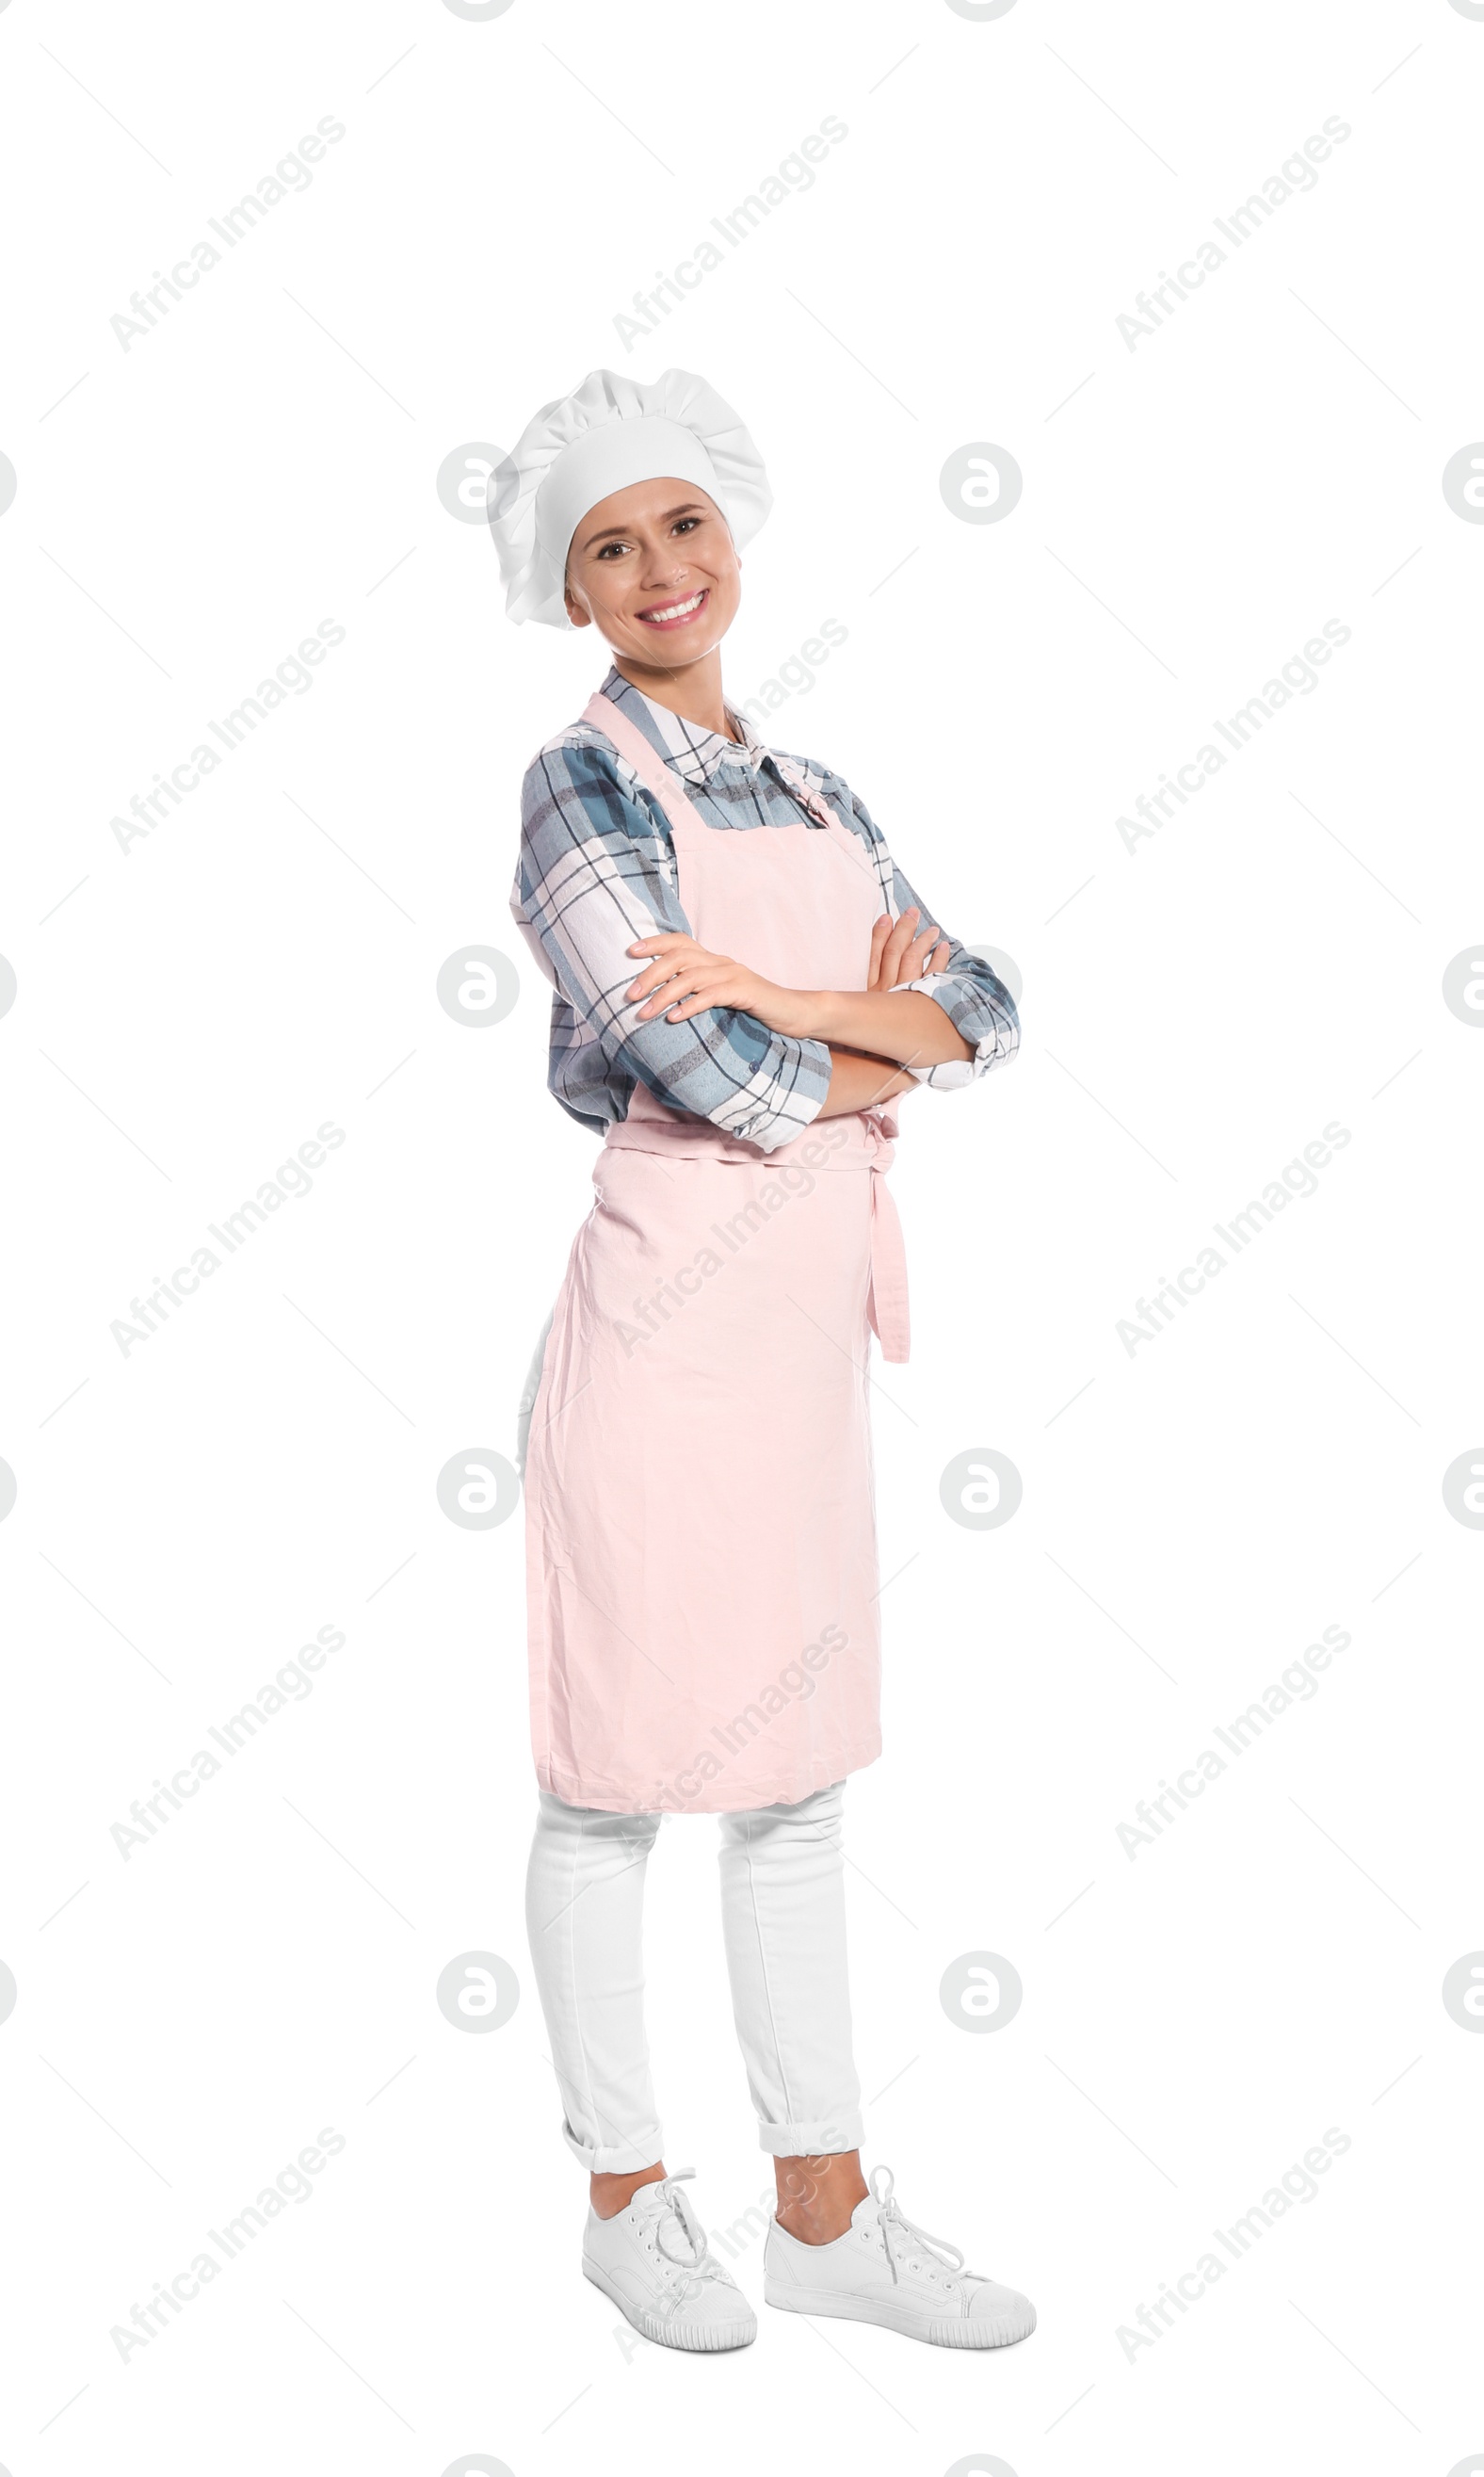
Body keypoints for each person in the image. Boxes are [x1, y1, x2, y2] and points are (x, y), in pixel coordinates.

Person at [496, 367, 1032, 2355]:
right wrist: (865, 1033)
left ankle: (821, 2207)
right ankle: (628, 2198)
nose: (657, 569)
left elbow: (991, 1005)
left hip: (801, 1350)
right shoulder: (575, 788)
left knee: (794, 1782)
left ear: (733, 542)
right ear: (570, 590)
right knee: (615, 1777)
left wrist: (801, 994)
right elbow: (699, 1069)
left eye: (680, 527)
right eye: (607, 545)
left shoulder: (823, 795)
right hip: (658, 1341)